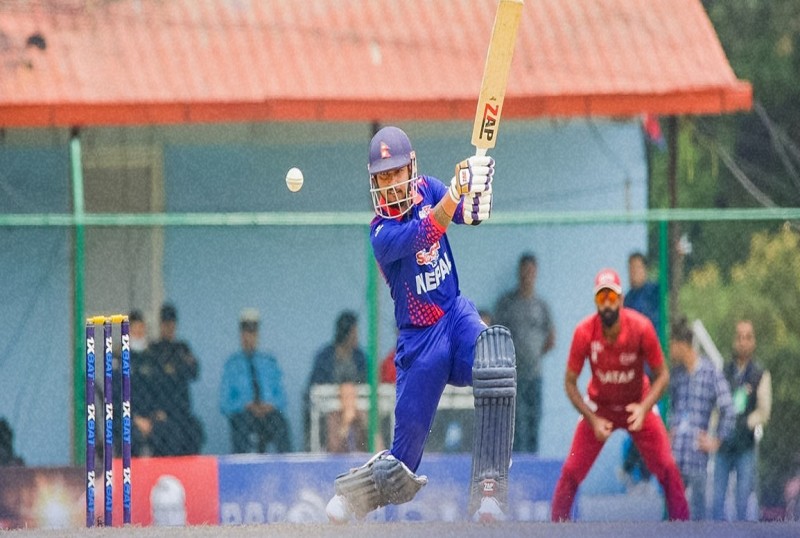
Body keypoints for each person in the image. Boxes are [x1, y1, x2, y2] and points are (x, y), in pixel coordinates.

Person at [326, 126, 515, 523]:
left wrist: (478, 190)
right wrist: (457, 191)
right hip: (420, 344)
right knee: (401, 470)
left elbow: (468, 215)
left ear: (411, 168)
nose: (391, 183)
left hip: (455, 317)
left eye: (396, 172)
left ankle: (490, 492)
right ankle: (352, 493)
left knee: (495, 362)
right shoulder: (381, 233)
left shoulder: (428, 188)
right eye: (383, 176)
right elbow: (429, 230)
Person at [550, 268, 689, 522]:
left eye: (612, 297)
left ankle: (682, 527)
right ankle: (556, 528)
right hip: (599, 408)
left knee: (668, 467)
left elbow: (663, 375)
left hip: (637, 405)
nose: (607, 304)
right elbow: (569, 383)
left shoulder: (641, 328)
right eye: (601, 298)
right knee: (571, 471)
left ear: (622, 300)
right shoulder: (584, 332)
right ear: (596, 302)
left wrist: (644, 408)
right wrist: (592, 419)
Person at [668, 317, 735, 520]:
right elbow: (673, 408)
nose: (670, 351)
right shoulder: (677, 375)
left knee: (698, 514)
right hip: (675, 455)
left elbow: (728, 408)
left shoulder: (710, 372)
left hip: (696, 456)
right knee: (674, 513)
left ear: (682, 345)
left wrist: (717, 441)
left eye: (672, 345)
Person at [493, 252, 555, 453]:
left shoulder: (541, 306)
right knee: (516, 423)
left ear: (536, 273)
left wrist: (533, 354)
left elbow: (551, 338)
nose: (528, 275)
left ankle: (533, 463)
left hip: (535, 375)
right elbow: (496, 333)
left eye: (531, 271)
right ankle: (517, 465)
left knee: (534, 421)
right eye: (524, 270)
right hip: (513, 376)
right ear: (519, 272)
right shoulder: (507, 303)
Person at [712, 319, 772, 521]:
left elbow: (764, 411)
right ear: (734, 340)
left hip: (745, 444)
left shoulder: (760, 374)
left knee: (742, 502)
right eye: (739, 337)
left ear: (753, 341)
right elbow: (715, 405)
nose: (743, 342)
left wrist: (745, 423)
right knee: (717, 500)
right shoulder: (724, 370)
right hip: (723, 444)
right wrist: (718, 428)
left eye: (747, 337)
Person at [219, 308, 291, 453]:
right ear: (241, 335)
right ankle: (241, 464)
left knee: (281, 425)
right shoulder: (232, 365)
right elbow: (224, 403)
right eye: (246, 333)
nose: (249, 338)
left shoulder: (269, 362)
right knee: (241, 426)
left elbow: (282, 398)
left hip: (268, 413)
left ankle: (286, 464)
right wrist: (245, 405)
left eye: (253, 334)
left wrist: (269, 405)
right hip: (244, 414)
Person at [142, 303, 205, 456]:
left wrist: (177, 367)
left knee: (196, 431)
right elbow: (150, 382)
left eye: (172, 324)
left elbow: (194, 372)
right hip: (161, 412)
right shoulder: (153, 350)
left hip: (182, 412)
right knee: (170, 437)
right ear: (161, 325)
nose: (169, 328)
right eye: (166, 324)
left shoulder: (182, 348)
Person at [304, 310, 368, 450]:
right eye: (354, 332)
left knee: (364, 417)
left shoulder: (360, 357)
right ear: (346, 332)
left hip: (357, 404)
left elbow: (365, 381)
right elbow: (317, 383)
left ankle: (367, 452)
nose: (356, 336)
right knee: (334, 418)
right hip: (331, 404)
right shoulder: (325, 356)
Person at [326, 382, 370, 453]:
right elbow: (333, 447)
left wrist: (363, 422)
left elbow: (376, 445)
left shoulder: (364, 416)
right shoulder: (334, 418)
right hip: (341, 458)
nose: (349, 400)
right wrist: (345, 422)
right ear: (340, 399)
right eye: (345, 396)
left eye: (351, 396)